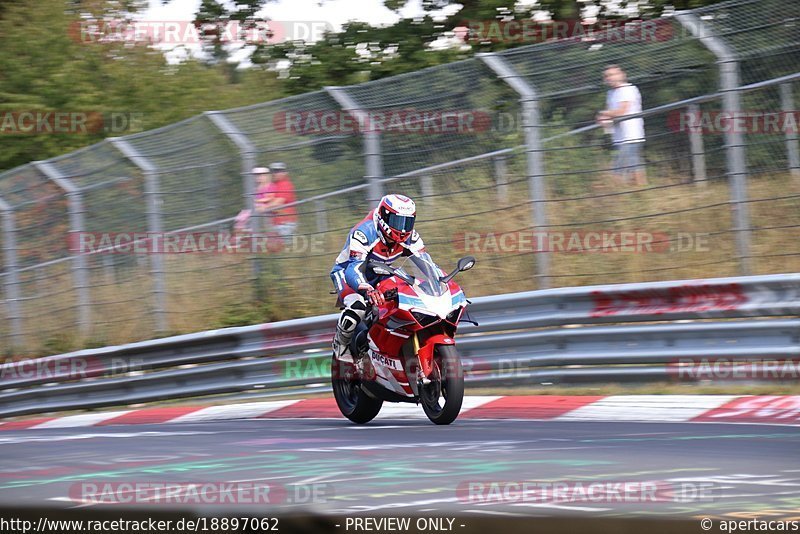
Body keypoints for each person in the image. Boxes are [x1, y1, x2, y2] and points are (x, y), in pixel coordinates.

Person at [330, 194, 430, 362]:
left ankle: (384, 345)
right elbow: (353, 268)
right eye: (398, 222)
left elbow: (426, 264)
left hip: (381, 271)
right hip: (348, 272)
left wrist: (438, 282)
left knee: (405, 297)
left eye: (408, 222)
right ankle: (341, 345)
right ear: (384, 217)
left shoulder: (411, 237)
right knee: (358, 305)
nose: (403, 229)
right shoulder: (364, 232)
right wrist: (365, 287)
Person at [596, 65, 647, 186]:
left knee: (618, 169)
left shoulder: (628, 89)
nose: (610, 78)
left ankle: (616, 194)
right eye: (607, 76)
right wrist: (604, 118)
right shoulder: (611, 93)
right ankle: (642, 192)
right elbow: (611, 113)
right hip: (619, 137)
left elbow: (622, 111)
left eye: (613, 74)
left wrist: (603, 114)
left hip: (631, 136)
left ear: (622, 75)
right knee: (634, 166)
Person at [257, 162, 298, 240]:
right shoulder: (274, 185)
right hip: (277, 222)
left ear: (285, 173)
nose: (275, 174)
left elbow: (278, 202)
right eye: (273, 171)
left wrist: (264, 207)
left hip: (285, 222)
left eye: (278, 171)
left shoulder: (285, 184)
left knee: (284, 248)